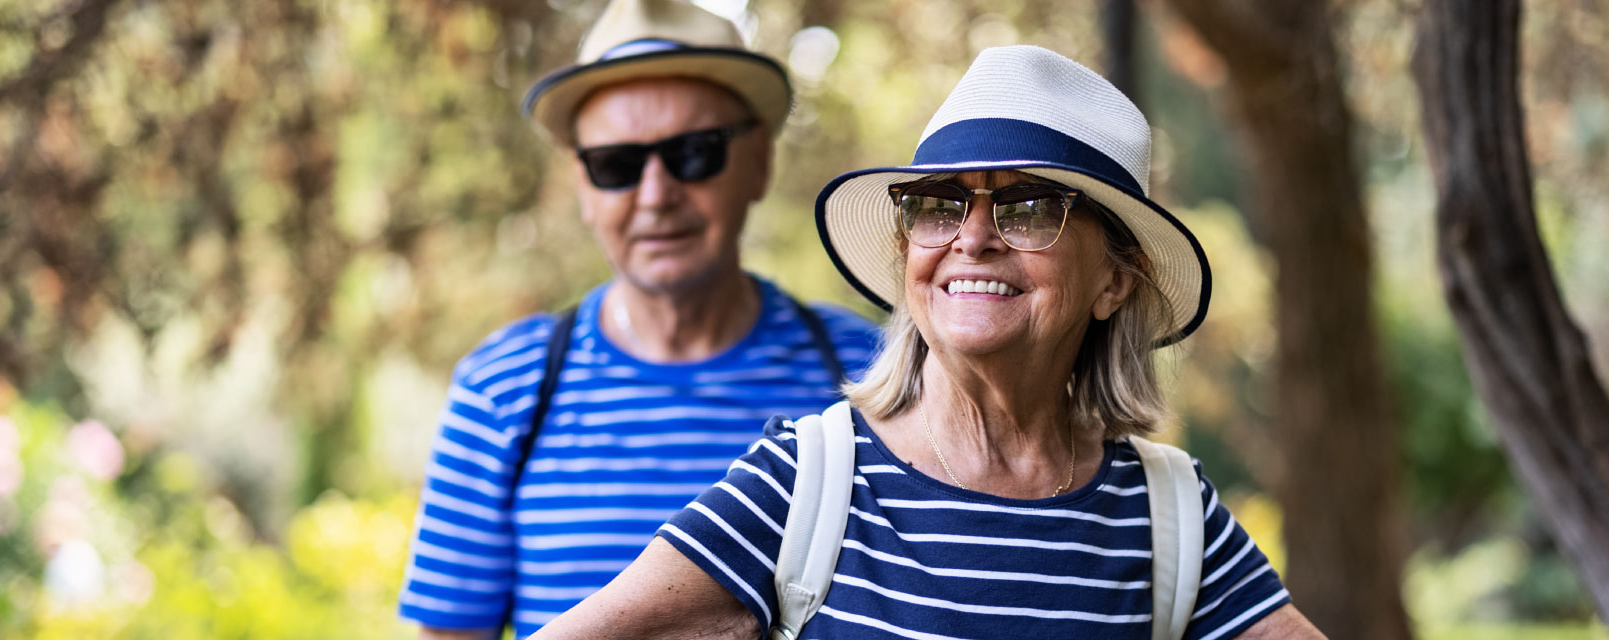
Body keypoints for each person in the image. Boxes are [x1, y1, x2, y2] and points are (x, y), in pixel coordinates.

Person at [530, 46, 1326, 639]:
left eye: (1028, 209)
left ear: (1115, 281)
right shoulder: (809, 483)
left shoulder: (1170, 514)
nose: (972, 239)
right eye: (940, 205)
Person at [395, 1, 880, 638]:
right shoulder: (502, 389)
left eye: (694, 153)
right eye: (617, 165)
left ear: (759, 160)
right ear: (583, 185)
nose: (655, 194)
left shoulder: (872, 375)